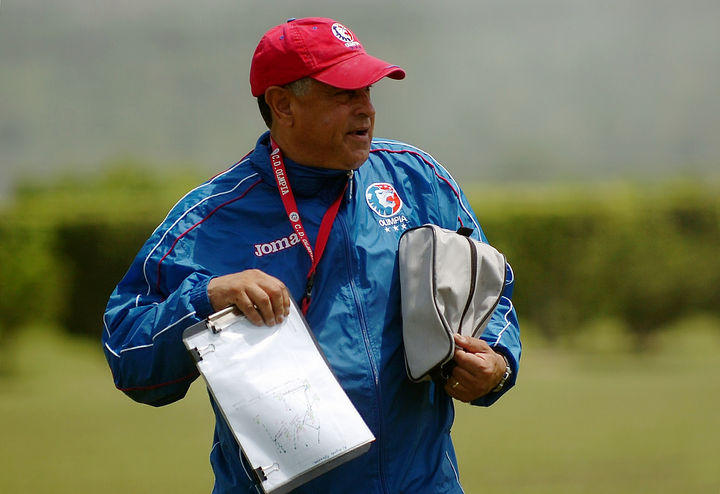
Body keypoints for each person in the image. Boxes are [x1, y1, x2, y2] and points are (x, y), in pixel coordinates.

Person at [103, 17, 521, 494]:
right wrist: (205, 298)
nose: (366, 110)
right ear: (283, 104)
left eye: (368, 91)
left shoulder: (417, 179)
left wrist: (498, 364)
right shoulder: (210, 217)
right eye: (344, 94)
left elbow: (492, 291)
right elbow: (127, 354)